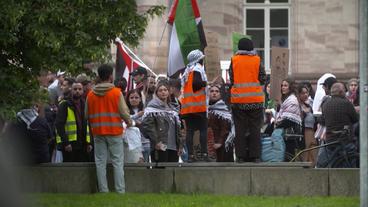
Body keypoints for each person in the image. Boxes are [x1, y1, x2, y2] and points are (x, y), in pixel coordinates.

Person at [85, 64, 133, 193]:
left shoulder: (90, 94)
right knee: (117, 162)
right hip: (114, 132)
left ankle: (103, 190)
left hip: (98, 132)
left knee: (100, 162)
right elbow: (124, 112)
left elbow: (86, 115)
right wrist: (129, 122)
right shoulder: (116, 93)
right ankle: (120, 190)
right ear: (111, 76)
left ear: (99, 76)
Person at [229, 38, 266, 162]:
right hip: (255, 100)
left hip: (238, 101)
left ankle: (240, 156)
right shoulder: (257, 60)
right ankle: (255, 156)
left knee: (240, 128)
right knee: (255, 128)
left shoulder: (234, 60)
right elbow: (263, 78)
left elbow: (232, 79)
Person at [317, 83, 358, 167]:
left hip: (331, 139)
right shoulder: (346, 103)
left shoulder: (326, 104)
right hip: (345, 139)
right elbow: (355, 119)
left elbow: (323, 120)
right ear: (341, 92)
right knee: (351, 159)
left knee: (332, 161)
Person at [141, 81, 184, 162]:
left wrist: (180, 145)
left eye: (165, 90)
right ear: (156, 93)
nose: (163, 92)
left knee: (172, 171)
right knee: (160, 171)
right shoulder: (152, 107)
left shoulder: (172, 109)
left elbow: (178, 129)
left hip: (173, 147)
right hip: (160, 145)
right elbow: (148, 126)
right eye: (160, 90)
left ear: (168, 92)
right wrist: (156, 142)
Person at [180, 49, 209, 162]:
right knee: (203, 130)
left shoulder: (188, 70)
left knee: (190, 131)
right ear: (199, 59)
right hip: (198, 106)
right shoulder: (197, 68)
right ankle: (204, 154)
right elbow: (196, 84)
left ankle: (191, 156)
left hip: (188, 107)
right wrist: (207, 83)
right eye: (202, 58)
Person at [55, 82, 92, 162]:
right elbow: (59, 125)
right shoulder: (64, 104)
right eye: (75, 89)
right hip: (70, 144)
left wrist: (89, 142)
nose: (77, 91)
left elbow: (87, 124)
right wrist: (66, 142)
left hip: (82, 143)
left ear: (83, 91)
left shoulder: (84, 104)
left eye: (80, 89)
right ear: (71, 90)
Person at [275, 79, 303, 158]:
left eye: (285, 85)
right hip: (286, 132)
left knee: (289, 156)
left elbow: (290, 119)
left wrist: (277, 126)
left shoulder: (292, 100)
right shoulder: (287, 99)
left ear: (290, 87)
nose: (283, 88)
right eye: (282, 86)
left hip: (290, 133)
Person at [208, 85, 234, 162]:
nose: (214, 93)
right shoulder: (209, 108)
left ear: (220, 94)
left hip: (224, 144)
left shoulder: (222, 109)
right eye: (212, 91)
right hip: (214, 144)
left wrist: (220, 142)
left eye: (217, 91)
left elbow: (225, 129)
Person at [125, 89, 147, 163]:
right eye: (131, 98)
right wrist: (136, 116)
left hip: (145, 141)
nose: (134, 99)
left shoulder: (145, 110)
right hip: (132, 143)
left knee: (146, 163)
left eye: (136, 97)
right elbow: (125, 120)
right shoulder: (125, 110)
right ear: (128, 99)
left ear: (140, 99)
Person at [297, 84, 317, 165]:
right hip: (304, 130)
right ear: (298, 94)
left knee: (312, 149)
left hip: (312, 130)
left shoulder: (311, 103)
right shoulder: (297, 104)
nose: (305, 95)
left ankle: (313, 166)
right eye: (303, 93)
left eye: (306, 92)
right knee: (306, 150)